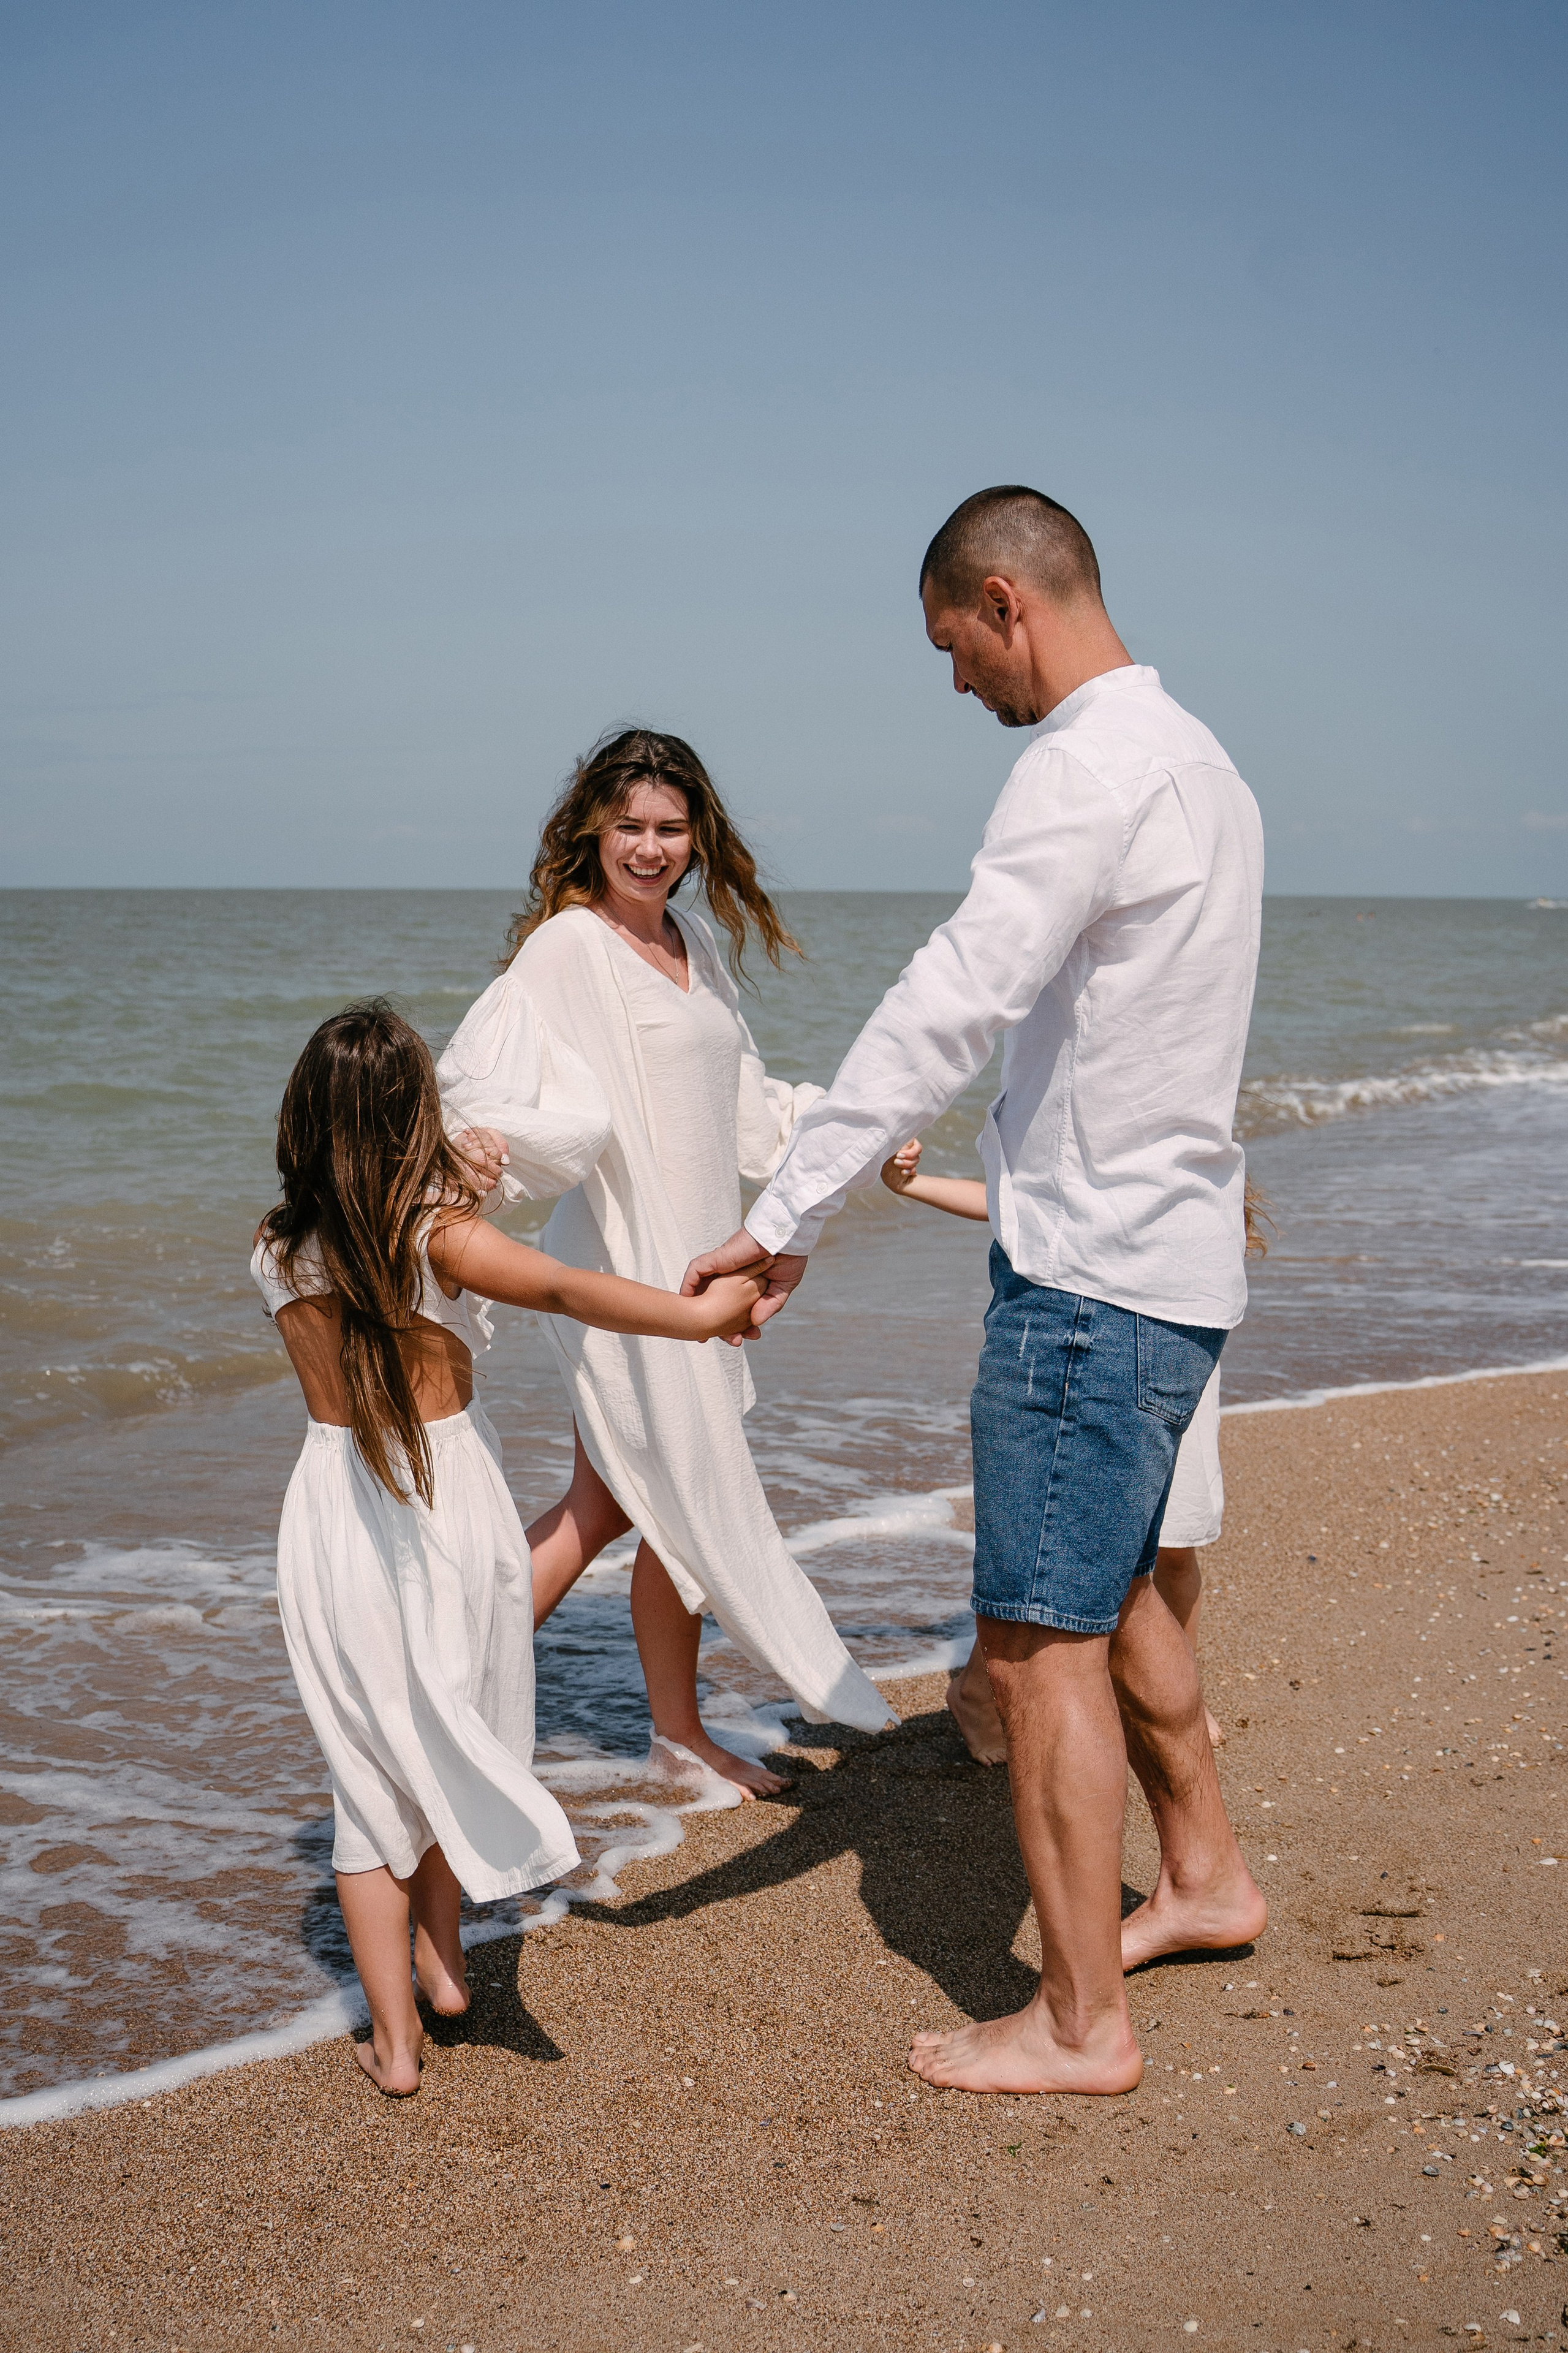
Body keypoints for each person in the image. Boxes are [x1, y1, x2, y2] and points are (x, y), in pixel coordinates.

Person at [683, 486, 1268, 2096]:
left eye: (954, 647)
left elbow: (957, 997)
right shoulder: (1209, 768)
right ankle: (1208, 1878)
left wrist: (788, 1208)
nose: (958, 685)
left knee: (1043, 1646)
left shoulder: (1080, 767)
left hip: (1087, 1290)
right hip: (1179, 1263)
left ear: (1008, 602)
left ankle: (1080, 2024)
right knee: (1134, 1590)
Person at [253, 999, 768, 2097]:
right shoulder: (440, 1235)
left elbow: (380, 1267)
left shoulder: (275, 1246)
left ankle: (400, 2038)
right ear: (414, 1116)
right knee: (459, 1730)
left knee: (370, 1778)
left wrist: (459, 1192)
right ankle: (446, 1975)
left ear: (303, 1117)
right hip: (442, 1503)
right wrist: (707, 1314)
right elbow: (569, 1288)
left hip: (331, 1512)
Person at [439, 729, 892, 1798]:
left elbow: (741, 1103)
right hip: (620, 1273)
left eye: (670, 828)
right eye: (629, 826)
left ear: (699, 837)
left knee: (642, 1500)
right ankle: (446, 1705)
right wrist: (476, 1157)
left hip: (701, 1265)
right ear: (592, 829)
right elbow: (480, 1078)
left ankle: (665, 1731)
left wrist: (841, 1141)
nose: (649, 847)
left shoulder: (696, 939)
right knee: (623, 1503)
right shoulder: (568, 946)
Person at [879, 1143, 1274, 1756]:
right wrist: (913, 1185)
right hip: (1100, 1356)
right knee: (1059, 1554)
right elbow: (1014, 1204)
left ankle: (1173, 1698)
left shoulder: (1191, 1153)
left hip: (1183, 1363)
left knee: (1174, 1546)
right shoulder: (1083, 1142)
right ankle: (978, 1694)